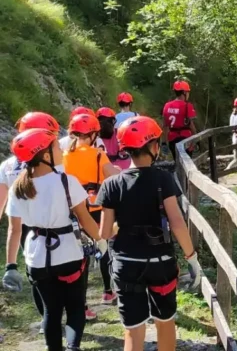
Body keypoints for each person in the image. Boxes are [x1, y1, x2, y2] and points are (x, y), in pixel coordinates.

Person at [96, 116, 202, 351]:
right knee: (165, 322)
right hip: (160, 261)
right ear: (154, 146)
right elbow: (177, 222)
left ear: (125, 149)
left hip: (126, 262)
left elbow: (105, 232)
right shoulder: (163, 178)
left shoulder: (112, 184)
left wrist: (121, 226)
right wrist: (191, 257)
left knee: (133, 329)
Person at [6, 127, 107, 351]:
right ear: (45, 155)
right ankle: (73, 347)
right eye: (56, 147)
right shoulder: (66, 181)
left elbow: (14, 230)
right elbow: (85, 218)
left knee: (51, 311)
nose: (61, 150)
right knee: (75, 307)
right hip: (68, 254)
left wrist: (11, 265)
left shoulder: (18, 187)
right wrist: (101, 241)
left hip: (36, 257)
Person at [2, 112, 61, 331]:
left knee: (36, 275)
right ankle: (69, 314)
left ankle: (48, 320)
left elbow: (2, 205)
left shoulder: (7, 166)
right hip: (58, 226)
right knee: (65, 274)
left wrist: (10, 263)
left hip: (25, 229)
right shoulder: (55, 160)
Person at [63, 114, 120, 318]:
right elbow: (114, 175)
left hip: (73, 212)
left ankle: (82, 305)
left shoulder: (64, 156)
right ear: (94, 134)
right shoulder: (98, 154)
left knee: (80, 258)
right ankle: (107, 291)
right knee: (103, 249)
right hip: (95, 209)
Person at [162, 80, 197, 162]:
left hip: (172, 139)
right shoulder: (187, 106)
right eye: (188, 92)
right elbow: (191, 125)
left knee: (177, 162)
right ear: (184, 92)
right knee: (187, 163)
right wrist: (196, 140)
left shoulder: (167, 105)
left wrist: (164, 142)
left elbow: (165, 126)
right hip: (186, 139)